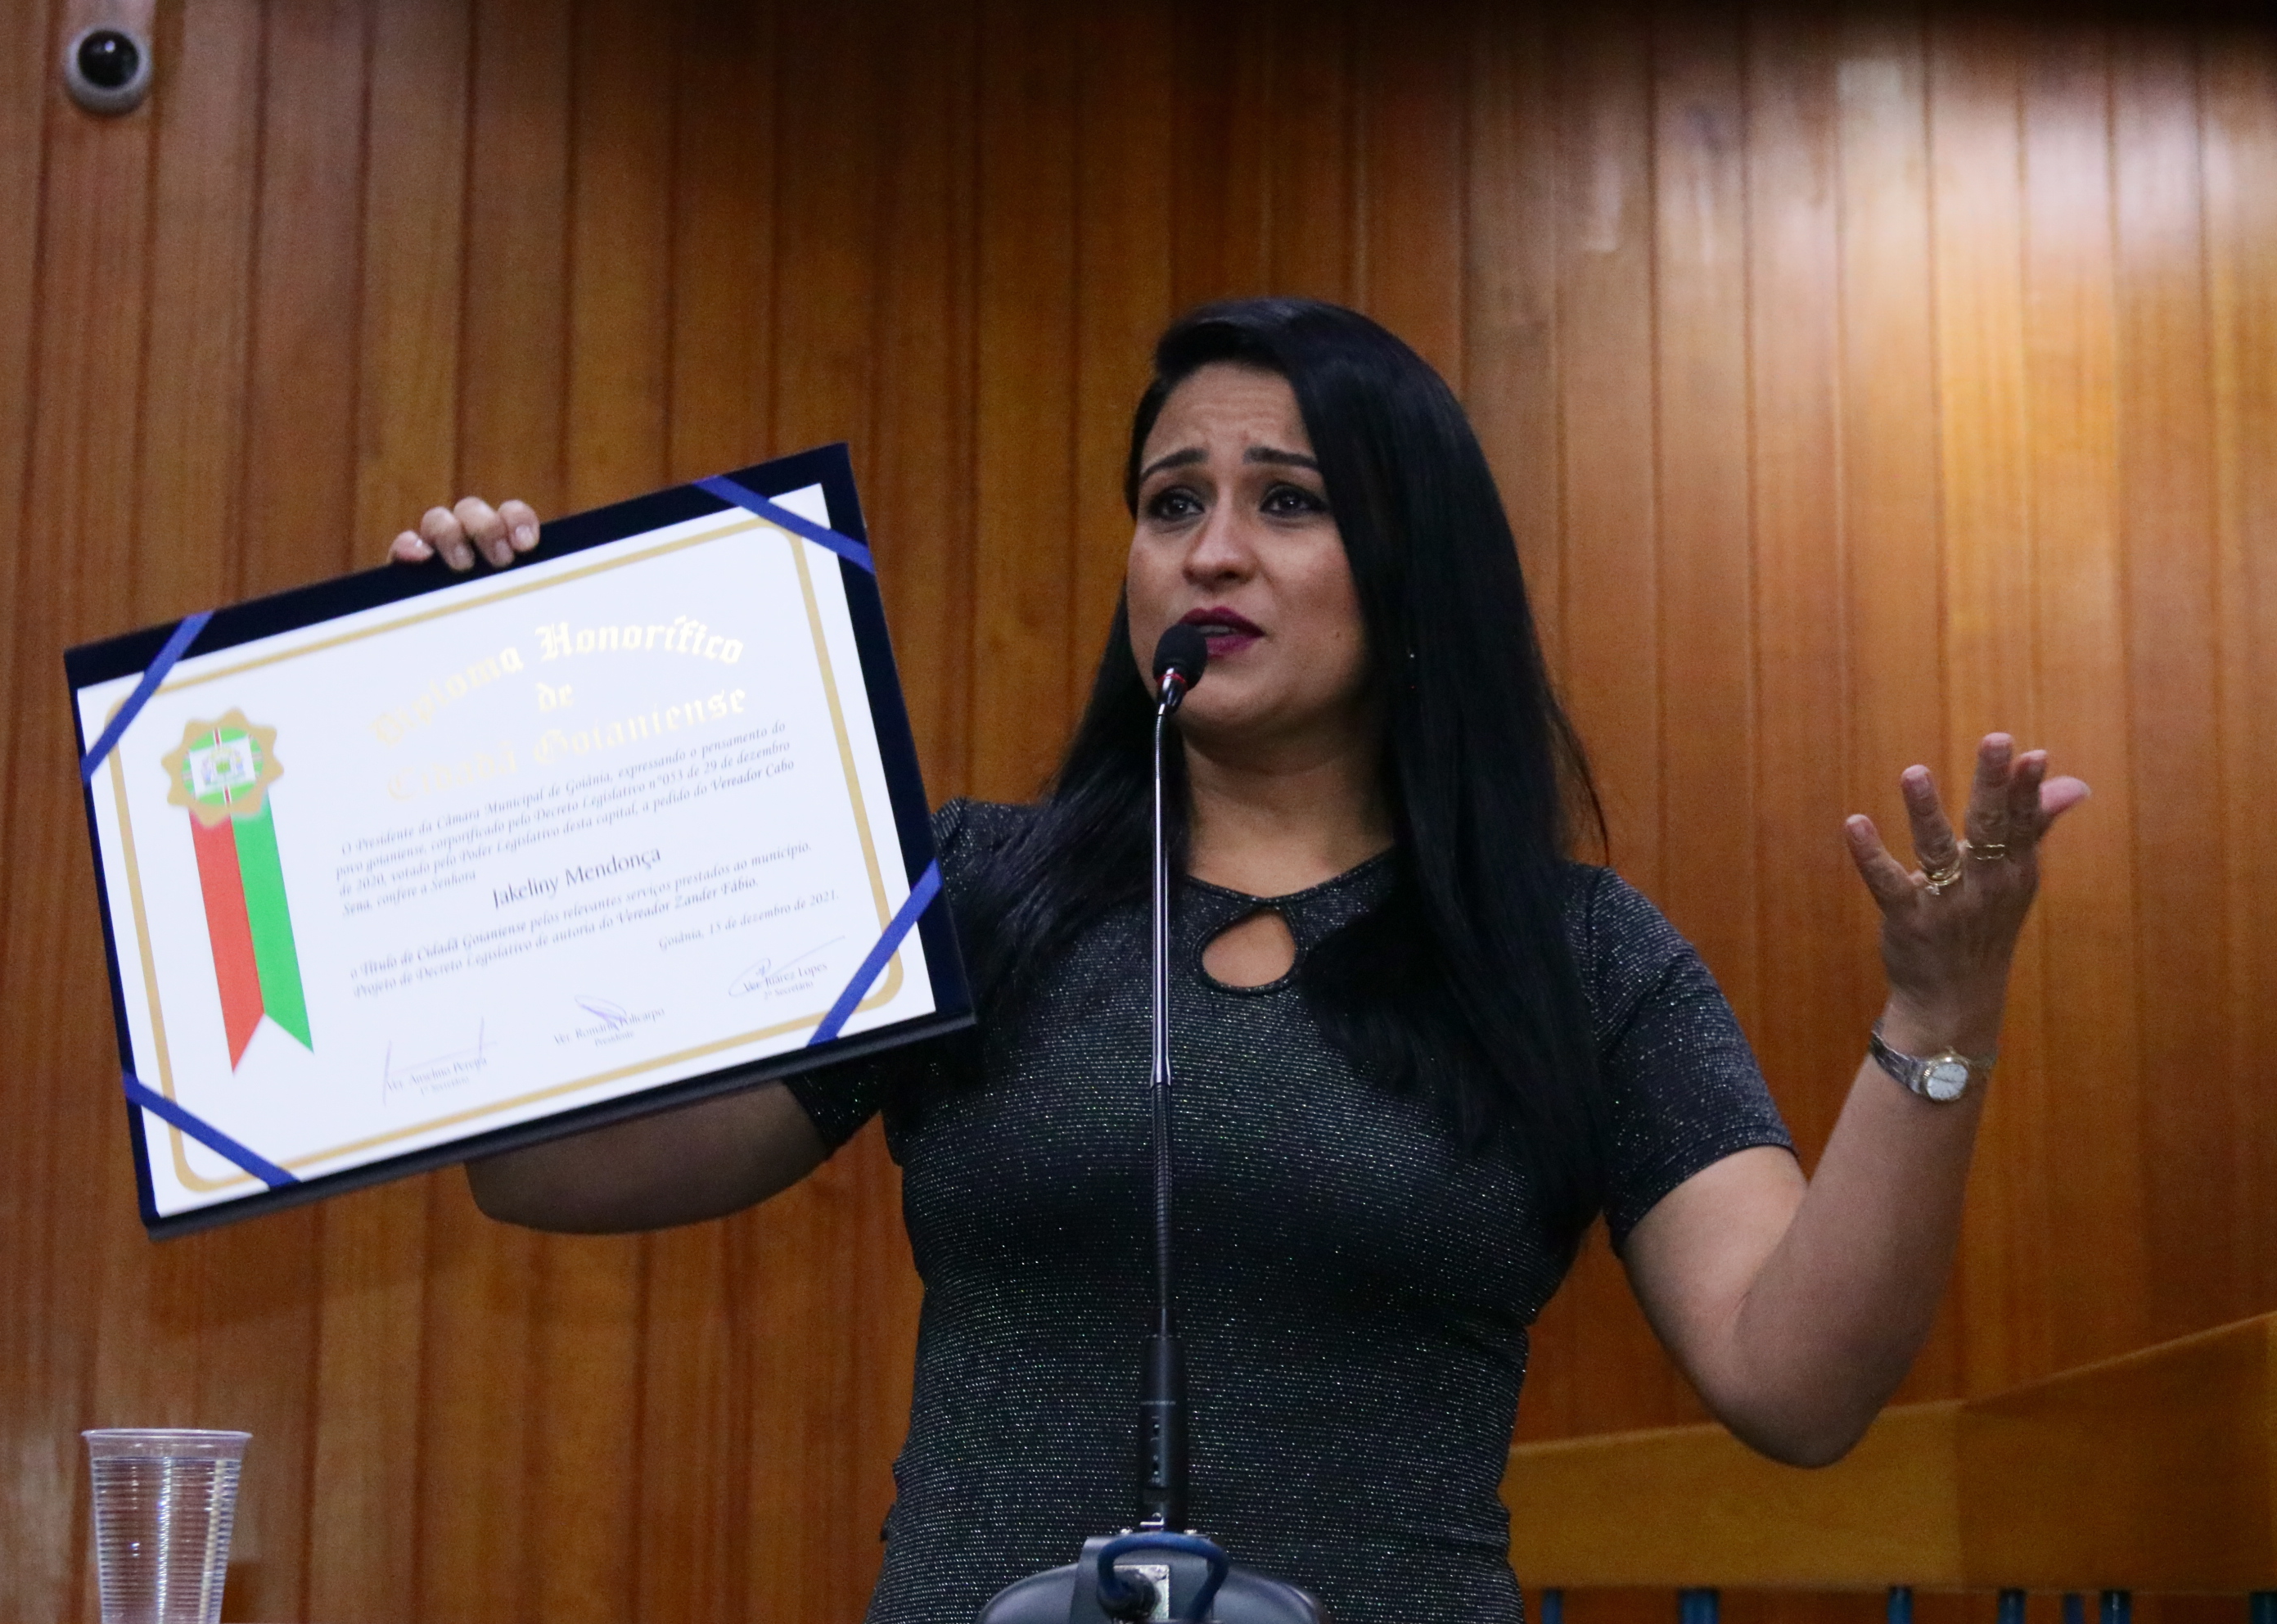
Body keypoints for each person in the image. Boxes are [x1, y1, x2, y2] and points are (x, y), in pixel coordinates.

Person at [390, 299, 2088, 1624]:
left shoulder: (1573, 954)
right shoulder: (973, 889)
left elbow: (1796, 1382)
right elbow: (553, 1172)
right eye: (1171, 503)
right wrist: (499, 746)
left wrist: (1939, 1009)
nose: (1211, 549)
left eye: (1288, 501)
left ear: (1413, 573)